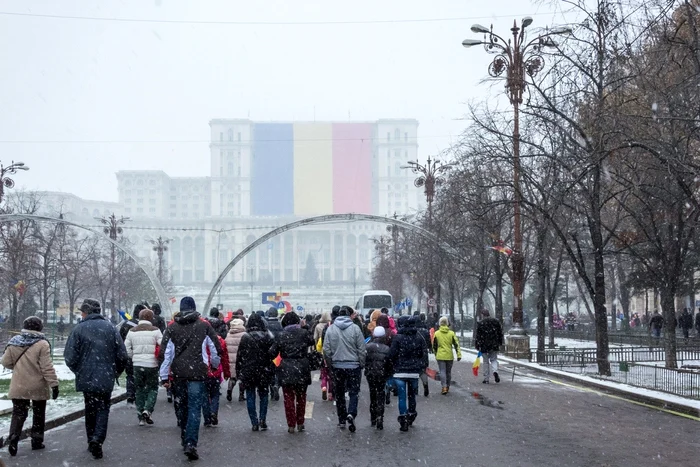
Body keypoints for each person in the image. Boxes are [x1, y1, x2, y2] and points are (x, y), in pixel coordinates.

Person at [159, 296, 223, 461]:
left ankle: (184, 437)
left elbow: (166, 353)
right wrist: (215, 365)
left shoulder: (172, 328)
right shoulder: (204, 326)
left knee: (182, 406)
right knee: (195, 408)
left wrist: (164, 375)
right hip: (197, 373)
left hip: (178, 373)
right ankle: (191, 443)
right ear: (194, 308)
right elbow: (215, 348)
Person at [65, 299, 128, 460]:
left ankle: (91, 438)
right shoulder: (111, 328)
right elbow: (122, 355)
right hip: (106, 376)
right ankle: (98, 439)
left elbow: (70, 357)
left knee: (90, 408)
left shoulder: (78, 329)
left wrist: (79, 370)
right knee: (103, 408)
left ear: (86, 312)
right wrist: (115, 372)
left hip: (86, 376)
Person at [1, 316, 59, 456]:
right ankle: (37, 440)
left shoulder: (14, 342)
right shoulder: (42, 344)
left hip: (19, 384)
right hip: (37, 385)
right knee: (39, 413)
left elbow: (5, 362)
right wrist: (54, 384)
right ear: (40, 328)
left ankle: (14, 437)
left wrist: (19, 367)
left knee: (18, 413)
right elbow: (47, 367)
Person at [323, 306, 366, 432]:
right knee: (354, 392)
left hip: (337, 366)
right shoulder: (355, 328)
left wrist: (330, 364)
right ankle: (351, 413)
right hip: (353, 366)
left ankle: (341, 419)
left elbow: (326, 350)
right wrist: (361, 363)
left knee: (340, 394)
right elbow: (361, 349)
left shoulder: (331, 329)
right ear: (348, 316)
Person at [272, 312, 315, 433]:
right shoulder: (304, 333)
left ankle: (291, 424)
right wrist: (305, 327)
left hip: (286, 368)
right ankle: (300, 422)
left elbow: (272, 352)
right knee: (301, 397)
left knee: (288, 398)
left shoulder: (281, 335)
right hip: (302, 367)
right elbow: (312, 341)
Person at [236, 313, 276, 432]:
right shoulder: (267, 336)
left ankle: (254, 422)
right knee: (264, 395)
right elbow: (273, 354)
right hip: (264, 370)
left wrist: (239, 371)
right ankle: (262, 419)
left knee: (250, 395)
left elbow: (240, 356)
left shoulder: (245, 337)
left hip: (249, 370)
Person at [124, 308, 163, 426]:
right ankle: (148, 409)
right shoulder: (156, 331)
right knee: (153, 388)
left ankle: (140, 415)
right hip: (152, 364)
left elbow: (126, 348)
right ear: (151, 318)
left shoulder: (131, 331)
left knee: (139, 389)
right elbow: (162, 346)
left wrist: (133, 356)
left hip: (137, 364)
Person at [389, 316, 427, 432]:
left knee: (402, 397)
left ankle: (403, 417)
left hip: (400, 372)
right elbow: (423, 354)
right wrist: (421, 366)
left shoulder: (398, 338)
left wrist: (393, 366)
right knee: (412, 395)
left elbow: (392, 354)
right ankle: (411, 413)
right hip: (414, 372)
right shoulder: (419, 338)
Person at [364, 326, 393, 430]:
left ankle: (373, 417)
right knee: (381, 394)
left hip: (371, 374)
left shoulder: (367, 347)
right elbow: (390, 364)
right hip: (382, 374)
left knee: (372, 394)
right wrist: (388, 373)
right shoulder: (387, 349)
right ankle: (380, 416)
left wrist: (367, 369)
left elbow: (364, 361)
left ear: (374, 335)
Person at [202, 324, 230, 427]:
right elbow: (225, 358)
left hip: (203, 371)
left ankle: (207, 418)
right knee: (215, 394)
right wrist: (227, 372)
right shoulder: (220, 341)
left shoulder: (200, 339)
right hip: (216, 371)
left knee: (204, 395)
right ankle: (213, 412)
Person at [432, 316, 462, 394]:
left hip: (440, 355)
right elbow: (456, 344)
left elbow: (434, 346)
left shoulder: (437, 333)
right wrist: (458, 354)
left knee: (442, 371)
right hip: (449, 355)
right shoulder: (451, 333)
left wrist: (436, 354)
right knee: (448, 372)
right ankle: (448, 385)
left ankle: (444, 386)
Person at [474, 309, 504, 384]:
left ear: (482, 315)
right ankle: (495, 371)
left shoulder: (481, 323)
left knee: (485, 362)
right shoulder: (496, 322)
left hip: (484, 345)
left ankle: (486, 378)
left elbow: (478, 336)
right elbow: (500, 333)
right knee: (494, 359)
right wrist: (499, 342)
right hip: (494, 344)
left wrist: (477, 345)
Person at [225, 318, 246, 402]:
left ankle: (230, 389)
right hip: (241, 359)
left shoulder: (229, 334)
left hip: (231, 359)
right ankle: (241, 395)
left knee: (232, 377)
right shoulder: (244, 335)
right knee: (242, 378)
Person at [265, 307, 284, 401]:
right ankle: (277, 384)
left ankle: (271, 388)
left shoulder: (266, 324)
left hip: (268, 351)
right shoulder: (280, 325)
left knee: (269, 371)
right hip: (279, 352)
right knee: (278, 370)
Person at [313, 311, 332, 401]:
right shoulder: (331, 326)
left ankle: (324, 386)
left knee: (324, 374)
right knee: (331, 376)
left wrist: (318, 351)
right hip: (331, 352)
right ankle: (330, 393)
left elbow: (315, 338)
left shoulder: (318, 326)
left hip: (322, 351)